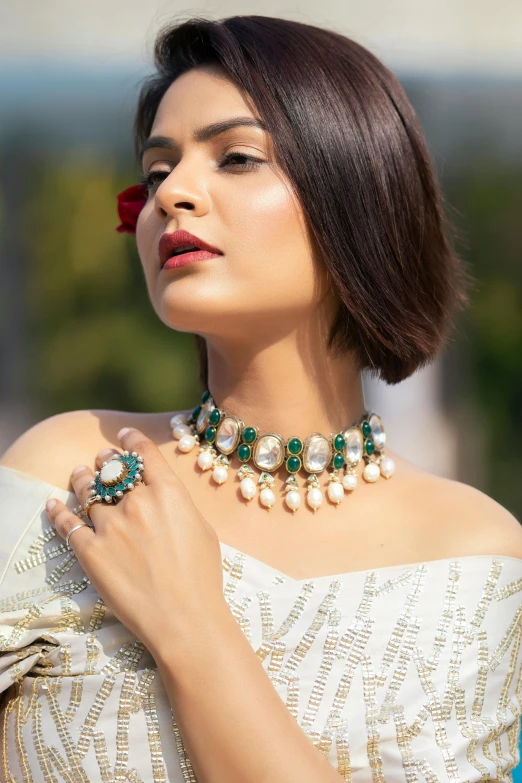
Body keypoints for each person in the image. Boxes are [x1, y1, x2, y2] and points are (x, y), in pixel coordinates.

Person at [0, 14, 521, 783]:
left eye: (236, 157)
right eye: (154, 173)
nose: (172, 193)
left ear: (359, 194)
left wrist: (189, 620)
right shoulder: (68, 472)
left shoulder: (475, 552)